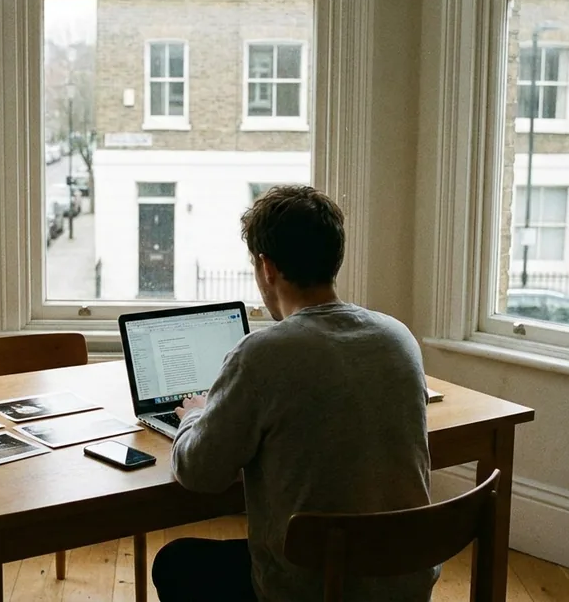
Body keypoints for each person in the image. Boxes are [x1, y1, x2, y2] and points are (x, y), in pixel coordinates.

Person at [151, 186, 435, 602]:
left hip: (315, 590)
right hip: (404, 581)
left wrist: (195, 415)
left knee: (174, 563)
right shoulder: (398, 337)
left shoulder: (263, 354)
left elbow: (200, 473)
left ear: (267, 267)